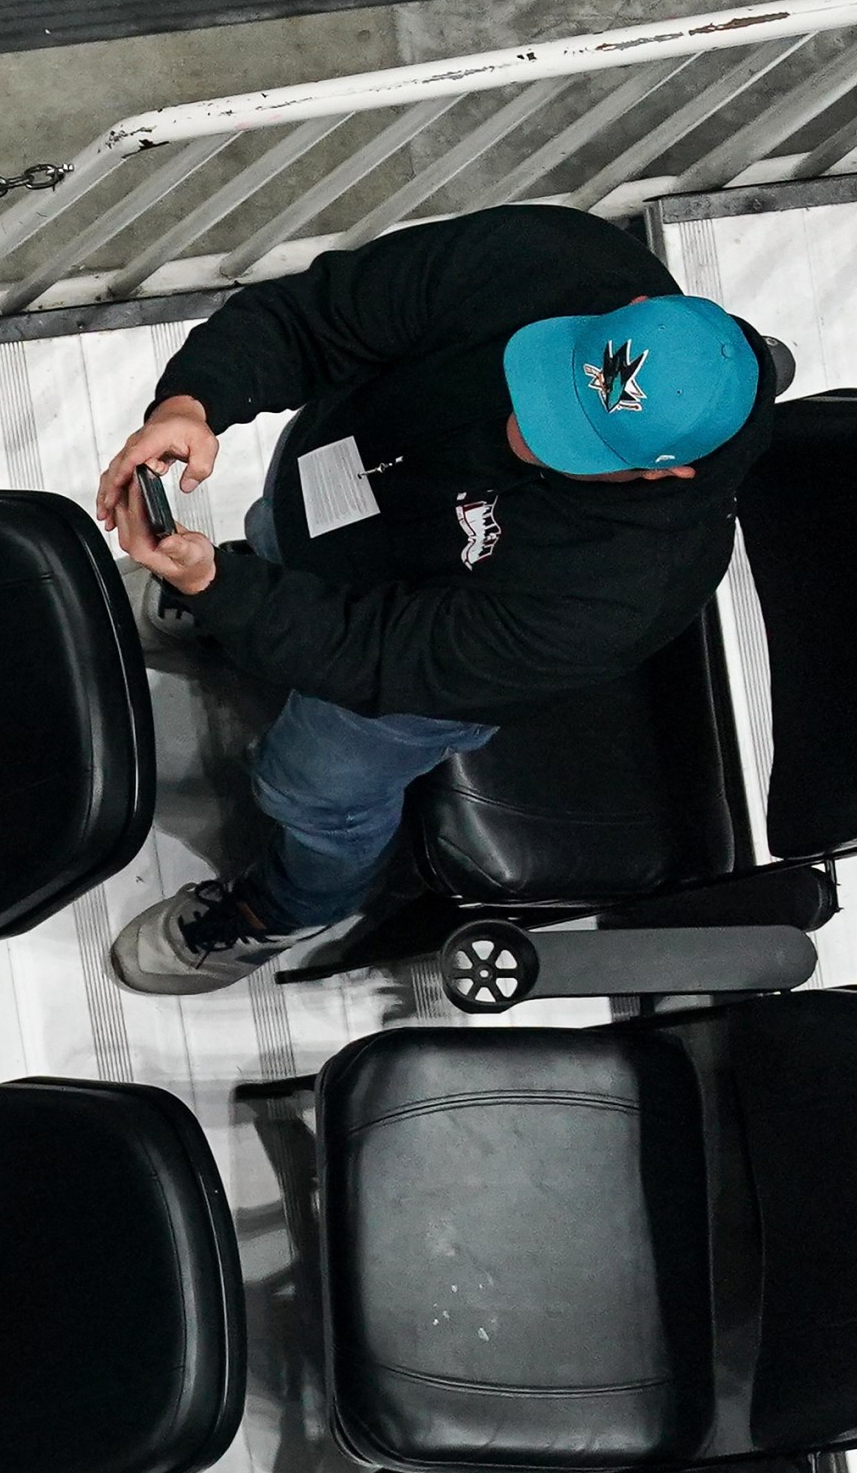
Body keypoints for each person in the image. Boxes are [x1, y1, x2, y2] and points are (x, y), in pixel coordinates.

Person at [92, 202, 781, 993]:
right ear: (627, 312)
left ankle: (288, 906)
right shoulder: (546, 254)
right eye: (548, 381)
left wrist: (221, 587)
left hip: (421, 665)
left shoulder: (625, 590)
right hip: (328, 490)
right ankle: (238, 596)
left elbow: (390, 657)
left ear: (668, 472)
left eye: (575, 445)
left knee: (310, 786)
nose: (521, 431)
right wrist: (194, 400)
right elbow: (317, 316)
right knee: (273, 529)